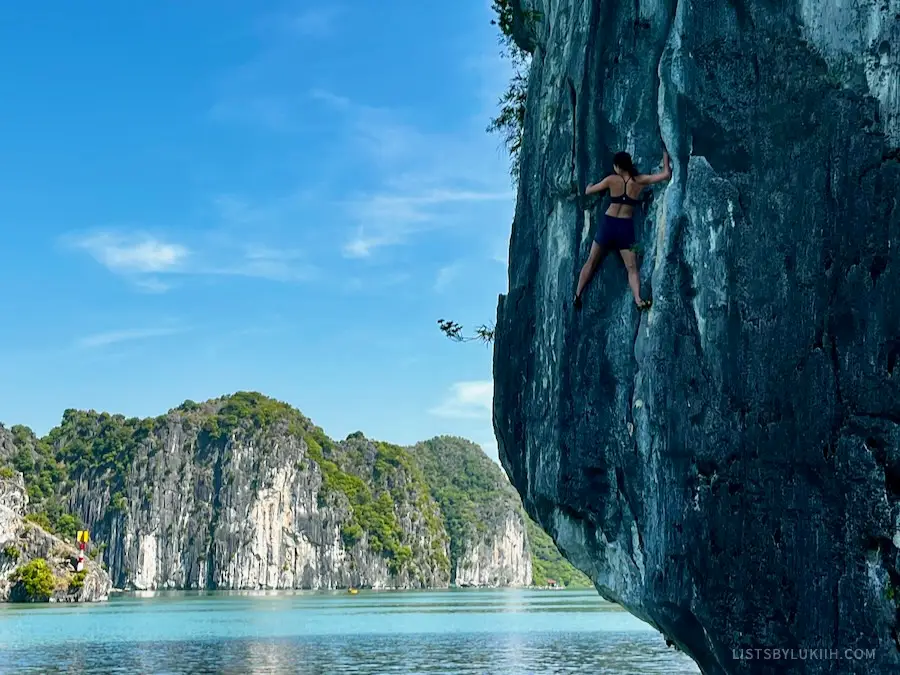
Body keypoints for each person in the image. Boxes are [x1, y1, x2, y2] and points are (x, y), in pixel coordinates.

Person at [574, 149, 671, 311]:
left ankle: (577, 295)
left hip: (608, 225)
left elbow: (589, 191)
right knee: (632, 267)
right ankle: (639, 300)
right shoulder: (640, 181)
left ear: (618, 167)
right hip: (625, 229)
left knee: (591, 261)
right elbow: (666, 174)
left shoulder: (612, 180)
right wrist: (665, 154)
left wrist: (590, 185)